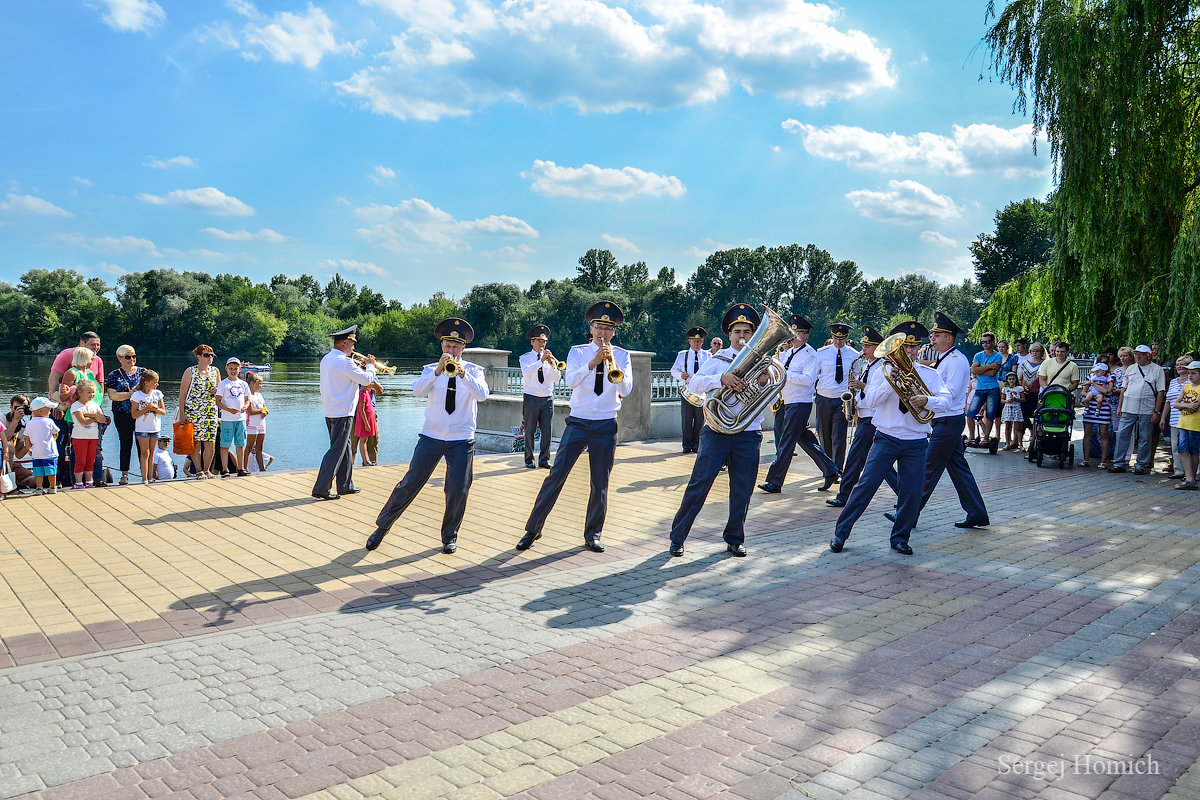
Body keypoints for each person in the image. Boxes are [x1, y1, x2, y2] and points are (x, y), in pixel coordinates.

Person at [517, 301, 633, 554]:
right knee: (556, 475)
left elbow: (626, 389)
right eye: (599, 327)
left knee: (600, 482)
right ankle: (533, 529)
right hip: (579, 422)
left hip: (605, 423)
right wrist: (593, 363)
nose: (603, 333)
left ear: (614, 332)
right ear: (591, 328)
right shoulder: (578, 352)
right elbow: (569, 381)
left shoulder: (623, 355)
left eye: (608, 328)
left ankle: (593, 533)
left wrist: (613, 363)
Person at [830, 321, 953, 556]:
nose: (908, 352)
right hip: (886, 437)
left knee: (912, 491)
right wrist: (890, 383)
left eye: (912, 348)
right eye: (904, 348)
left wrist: (928, 401)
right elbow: (867, 402)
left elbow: (948, 401)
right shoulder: (881, 371)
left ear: (919, 349)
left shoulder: (930, 374)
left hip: (916, 441)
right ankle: (841, 533)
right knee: (865, 486)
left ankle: (900, 537)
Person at [368, 318, 489, 554]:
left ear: (463, 348)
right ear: (441, 346)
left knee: (457, 489)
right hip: (431, 436)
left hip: (461, 438)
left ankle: (449, 536)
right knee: (409, 483)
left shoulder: (474, 371)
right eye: (447, 346)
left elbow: (483, 395)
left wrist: (463, 374)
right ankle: (382, 527)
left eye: (455, 347)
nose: (450, 351)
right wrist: (436, 372)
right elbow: (417, 392)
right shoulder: (429, 370)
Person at [668, 304, 771, 557]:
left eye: (747, 331)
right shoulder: (719, 359)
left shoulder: (764, 362)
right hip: (716, 432)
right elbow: (694, 384)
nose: (742, 336)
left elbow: (769, 398)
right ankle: (678, 537)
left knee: (743, 488)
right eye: (737, 331)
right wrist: (720, 380)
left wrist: (763, 382)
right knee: (699, 485)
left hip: (748, 432)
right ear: (729, 334)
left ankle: (735, 538)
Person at [895, 312, 989, 530]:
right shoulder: (944, 359)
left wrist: (924, 400)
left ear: (949, 337)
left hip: (947, 421)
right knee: (958, 470)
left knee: (927, 469)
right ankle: (977, 513)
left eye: (937, 334)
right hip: (945, 421)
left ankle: (908, 514)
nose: (932, 338)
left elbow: (952, 394)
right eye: (933, 334)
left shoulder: (956, 362)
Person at [759, 315, 839, 495]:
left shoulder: (810, 354)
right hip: (788, 402)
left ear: (805, 336)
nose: (794, 336)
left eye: (798, 333)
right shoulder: (789, 353)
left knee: (786, 443)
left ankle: (775, 481)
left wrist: (785, 374)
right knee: (806, 441)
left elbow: (809, 380)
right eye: (793, 332)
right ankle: (831, 470)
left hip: (799, 403)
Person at [827, 325, 898, 508]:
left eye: (867, 346)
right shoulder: (868, 365)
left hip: (872, 419)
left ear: (876, 347)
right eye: (863, 345)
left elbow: (880, 395)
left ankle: (844, 496)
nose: (863, 349)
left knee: (854, 459)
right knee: (879, 464)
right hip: (865, 417)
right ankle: (907, 496)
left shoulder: (882, 367)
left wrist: (862, 386)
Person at [313, 326, 377, 500]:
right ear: (343, 343)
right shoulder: (344, 361)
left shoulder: (326, 359)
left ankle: (345, 484)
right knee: (337, 450)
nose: (353, 348)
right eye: (351, 344)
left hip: (331, 409)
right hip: (343, 411)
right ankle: (322, 488)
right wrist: (370, 367)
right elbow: (366, 380)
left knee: (345, 447)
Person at [48, 331, 106, 486]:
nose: (95, 351)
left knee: (94, 448)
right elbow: (59, 388)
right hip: (73, 414)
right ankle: (69, 480)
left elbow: (100, 387)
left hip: (91, 412)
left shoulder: (91, 369)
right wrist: (58, 405)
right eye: (92, 346)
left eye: (97, 345)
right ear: (82, 345)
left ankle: (95, 479)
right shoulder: (70, 367)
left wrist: (98, 409)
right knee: (70, 447)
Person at [1111, 344, 1166, 474]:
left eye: (1140, 354)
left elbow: (1161, 392)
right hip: (1128, 407)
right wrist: (1120, 406)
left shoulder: (1157, 370)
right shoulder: (1131, 369)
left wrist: (1156, 412)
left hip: (1147, 409)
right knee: (1122, 435)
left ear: (1148, 356)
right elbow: (1124, 389)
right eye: (1136, 354)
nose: (1137, 357)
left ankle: (1141, 464)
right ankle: (1119, 463)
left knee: (1145, 438)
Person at [814, 323, 858, 474]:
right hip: (823, 397)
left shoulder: (853, 354)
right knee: (824, 435)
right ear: (832, 337)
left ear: (847, 337)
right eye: (836, 338)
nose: (838, 342)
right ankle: (828, 468)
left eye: (842, 339)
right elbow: (815, 374)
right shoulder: (821, 353)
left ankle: (838, 469)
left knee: (839, 436)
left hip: (842, 399)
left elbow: (857, 374)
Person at [520, 324, 561, 467]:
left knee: (547, 431)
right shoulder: (525, 358)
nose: (542, 344)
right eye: (539, 341)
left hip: (547, 398)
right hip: (531, 397)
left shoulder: (549, 360)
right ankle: (529, 460)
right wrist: (541, 361)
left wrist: (554, 366)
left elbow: (557, 378)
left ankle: (544, 460)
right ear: (532, 342)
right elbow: (526, 372)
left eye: (544, 341)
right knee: (529, 430)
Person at [178, 345, 221, 479]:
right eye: (206, 355)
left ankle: (207, 469)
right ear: (199, 357)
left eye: (211, 355)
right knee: (196, 442)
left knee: (210, 442)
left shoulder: (215, 371)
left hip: (210, 411)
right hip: (193, 412)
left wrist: (217, 391)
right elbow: (182, 394)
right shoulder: (190, 371)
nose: (210, 358)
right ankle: (198, 470)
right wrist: (182, 414)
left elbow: (221, 392)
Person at [105, 344, 144, 485]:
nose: (132, 359)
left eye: (133, 356)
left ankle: (146, 473)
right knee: (126, 442)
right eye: (128, 357)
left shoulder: (142, 372)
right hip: (122, 413)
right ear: (120, 358)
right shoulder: (114, 375)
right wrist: (130, 394)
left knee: (143, 443)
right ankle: (124, 474)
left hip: (141, 413)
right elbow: (112, 395)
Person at [670, 326, 710, 454]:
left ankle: (697, 444)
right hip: (687, 390)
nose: (697, 343)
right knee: (687, 419)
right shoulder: (682, 355)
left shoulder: (708, 356)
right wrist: (680, 375)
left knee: (700, 419)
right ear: (690, 341)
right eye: (694, 341)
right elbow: (673, 370)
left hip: (702, 392)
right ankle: (686, 445)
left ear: (702, 342)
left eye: (699, 341)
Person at [966, 332, 1003, 452]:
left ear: (993, 342)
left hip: (992, 388)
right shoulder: (978, 355)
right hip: (980, 389)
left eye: (987, 342)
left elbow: (993, 373)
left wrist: (980, 370)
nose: (985, 344)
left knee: (990, 415)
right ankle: (971, 436)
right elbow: (973, 370)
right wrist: (989, 366)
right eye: (983, 342)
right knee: (970, 413)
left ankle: (986, 438)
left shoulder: (997, 356)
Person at [216, 357, 252, 477]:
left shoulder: (243, 384)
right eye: (230, 368)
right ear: (226, 369)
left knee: (240, 444)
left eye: (235, 368)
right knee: (225, 445)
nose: (233, 371)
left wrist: (245, 407)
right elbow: (218, 401)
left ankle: (241, 468)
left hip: (240, 419)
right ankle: (225, 469)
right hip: (227, 419)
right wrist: (228, 409)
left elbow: (247, 400)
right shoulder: (223, 384)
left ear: (239, 369)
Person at [130, 369, 166, 484]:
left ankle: (150, 477)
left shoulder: (158, 394)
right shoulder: (137, 395)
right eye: (155, 382)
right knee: (145, 452)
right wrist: (146, 408)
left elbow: (163, 411)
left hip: (155, 427)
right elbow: (134, 414)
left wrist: (155, 408)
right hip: (142, 428)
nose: (157, 384)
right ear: (146, 382)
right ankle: (144, 478)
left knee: (152, 452)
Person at [69, 380, 104, 489]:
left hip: (93, 437)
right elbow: (83, 421)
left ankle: (89, 481)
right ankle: (78, 482)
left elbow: (103, 419)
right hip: (80, 437)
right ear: (80, 392)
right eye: (88, 392)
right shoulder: (76, 406)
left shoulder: (95, 405)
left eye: (93, 392)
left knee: (91, 460)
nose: (91, 395)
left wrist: (93, 416)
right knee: (81, 460)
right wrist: (95, 418)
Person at [1171, 360, 1200, 489]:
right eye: (1188, 373)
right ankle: (1190, 478)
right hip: (1183, 423)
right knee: (1183, 449)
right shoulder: (1186, 387)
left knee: (1193, 451)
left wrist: (1183, 406)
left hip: (1195, 424)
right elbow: (1176, 404)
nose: (1190, 376)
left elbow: (1195, 406)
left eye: (1193, 373)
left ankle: (1191, 479)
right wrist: (1185, 406)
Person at [1078, 363, 1112, 468]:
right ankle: (1085, 459)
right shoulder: (1091, 376)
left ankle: (1103, 461)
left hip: (1104, 408)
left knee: (1104, 434)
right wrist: (1093, 395)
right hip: (1091, 407)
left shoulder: (1109, 377)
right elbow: (1083, 392)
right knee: (1087, 433)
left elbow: (1107, 390)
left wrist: (1095, 385)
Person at [1162, 356, 1191, 478]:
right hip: (1174, 419)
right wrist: (1163, 417)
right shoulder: (1173, 381)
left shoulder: (1192, 382)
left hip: (1188, 418)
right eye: (1177, 364)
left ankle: (1193, 472)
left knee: (1190, 446)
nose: (1178, 366)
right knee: (1175, 446)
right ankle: (1178, 470)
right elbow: (1168, 401)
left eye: (1182, 364)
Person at [25, 397, 59, 495]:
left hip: (36, 452)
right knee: (51, 471)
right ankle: (52, 487)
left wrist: (28, 449)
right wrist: (54, 439)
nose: (50, 412)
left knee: (38, 472)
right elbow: (56, 433)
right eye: (48, 410)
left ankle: (39, 488)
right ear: (40, 410)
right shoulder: (49, 421)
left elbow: (26, 438)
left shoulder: (29, 423)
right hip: (49, 452)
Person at [245, 372, 272, 472]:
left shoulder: (260, 395)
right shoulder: (248, 396)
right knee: (249, 447)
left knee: (259, 448)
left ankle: (261, 469)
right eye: (259, 383)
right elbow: (251, 411)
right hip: (252, 425)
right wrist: (262, 410)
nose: (261, 386)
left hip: (261, 424)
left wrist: (265, 411)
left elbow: (265, 408)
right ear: (252, 383)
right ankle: (244, 468)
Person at [1000, 372, 1026, 451]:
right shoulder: (1005, 389)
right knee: (1008, 426)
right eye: (1010, 379)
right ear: (1007, 380)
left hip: (1016, 408)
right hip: (1008, 408)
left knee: (1018, 427)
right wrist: (1007, 401)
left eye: (1013, 379)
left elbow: (1023, 399)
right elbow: (1002, 400)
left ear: (1016, 379)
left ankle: (1020, 444)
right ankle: (1007, 443)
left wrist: (1015, 399)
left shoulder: (1019, 388)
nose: (1011, 381)